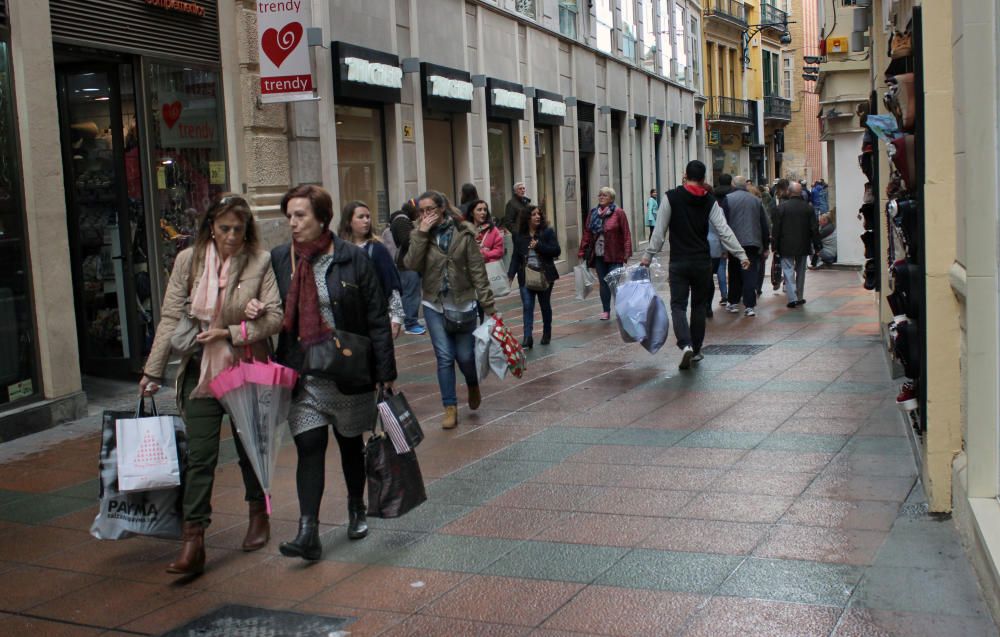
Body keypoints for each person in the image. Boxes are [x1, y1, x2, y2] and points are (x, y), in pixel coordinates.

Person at [140, 193, 283, 575]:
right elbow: (170, 318)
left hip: (244, 367)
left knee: (250, 448)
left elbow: (275, 320)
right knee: (200, 456)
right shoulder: (188, 262)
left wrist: (231, 331)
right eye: (224, 228)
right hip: (199, 373)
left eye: (239, 228)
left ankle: (259, 514)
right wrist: (152, 372)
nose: (232, 236)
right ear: (210, 228)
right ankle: (194, 540)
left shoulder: (260, 261)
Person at [271, 185, 397, 560]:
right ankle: (308, 530)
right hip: (304, 373)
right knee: (309, 447)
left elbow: (375, 316)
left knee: (349, 447)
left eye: (300, 216)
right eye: (289, 216)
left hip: (347, 371)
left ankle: (356, 508)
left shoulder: (352, 259)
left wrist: (385, 370)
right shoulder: (281, 259)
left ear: (322, 219)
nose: (292, 223)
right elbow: (272, 310)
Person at [404, 190, 498, 430]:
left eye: (430, 210)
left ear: (442, 208)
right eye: (422, 211)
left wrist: (489, 306)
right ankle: (450, 407)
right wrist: (422, 234)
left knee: (465, 357)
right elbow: (411, 265)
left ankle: (472, 383)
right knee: (444, 357)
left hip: (464, 302)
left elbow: (477, 271)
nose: (426, 215)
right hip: (434, 304)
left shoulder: (464, 232)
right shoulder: (419, 233)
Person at [642, 160, 749, 369]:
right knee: (699, 306)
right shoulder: (709, 201)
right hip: (702, 262)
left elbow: (659, 232)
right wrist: (741, 253)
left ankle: (685, 344)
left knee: (678, 305)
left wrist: (648, 256)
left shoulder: (670, 197)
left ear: (685, 175)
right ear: (703, 178)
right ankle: (697, 349)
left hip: (679, 261)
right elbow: (723, 229)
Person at [339, 200, 404, 338]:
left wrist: (396, 317)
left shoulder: (377, 248)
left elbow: (391, 283)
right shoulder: (339, 249)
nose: (366, 221)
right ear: (349, 221)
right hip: (347, 318)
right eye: (361, 217)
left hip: (374, 316)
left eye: (368, 217)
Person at [508, 205, 561, 348]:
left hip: (544, 275)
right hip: (526, 276)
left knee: (545, 306)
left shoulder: (547, 232)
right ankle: (527, 337)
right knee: (527, 306)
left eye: (539, 214)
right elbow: (515, 256)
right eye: (533, 214)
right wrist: (510, 275)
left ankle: (547, 333)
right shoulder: (519, 235)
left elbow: (556, 251)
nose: (537, 216)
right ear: (527, 218)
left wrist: (539, 246)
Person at [578, 186, 633, 320]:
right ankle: (606, 310)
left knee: (614, 283)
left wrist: (627, 252)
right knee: (603, 283)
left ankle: (620, 309)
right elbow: (587, 232)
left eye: (605, 195)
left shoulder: (619, 213)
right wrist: (582, 250)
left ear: (611, 199)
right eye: (600, 195)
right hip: (598, 254)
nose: (601, 197)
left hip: (615, 254)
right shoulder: (593, 213)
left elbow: (626, 233)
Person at [721, 175, 770, 317]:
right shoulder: (756, 200)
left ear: (733, 184)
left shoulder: (728, 199)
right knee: (750, 273)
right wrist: (765, 245)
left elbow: (723, 223)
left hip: (734, 242)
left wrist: (723, 247)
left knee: (734, 271)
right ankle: (749, 305)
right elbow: (763, 224)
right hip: (752, 242)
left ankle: (734, 302)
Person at [772, 181, 820, 308]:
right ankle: (799, 296)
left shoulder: (781, 208)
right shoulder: (808, 208)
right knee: (801, 271)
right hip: (803, 244)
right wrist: (817, 245)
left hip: (785, 244)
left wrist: (774, 245)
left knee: (788, 271)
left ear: (789, 191)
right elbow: (814, 228)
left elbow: (776, 228)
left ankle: (792, 297)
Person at [390, 200, 425, 335]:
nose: (419, 215)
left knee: (409, 293)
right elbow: (407, 241)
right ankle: (410, 323)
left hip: (406, 264)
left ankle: (410, 322)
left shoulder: (400, 220)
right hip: (408, 264)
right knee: (411, 294)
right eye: (418, 211)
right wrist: (420, 230)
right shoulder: (402, 221)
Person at [467, 199, 505, 323]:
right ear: (472, 213)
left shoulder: (492, 230)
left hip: (487, 275)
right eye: (479, 210)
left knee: (485, 306)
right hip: (468, 275)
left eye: (484, 209)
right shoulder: (465, 230)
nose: (483, 212)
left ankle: (486, 334)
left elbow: (499, 251)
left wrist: (484, 254)